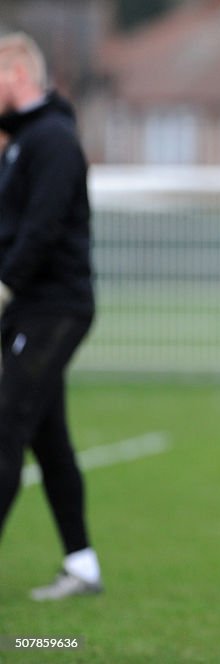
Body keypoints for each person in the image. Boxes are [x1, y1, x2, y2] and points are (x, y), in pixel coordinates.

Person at [0, 31, 102, 600]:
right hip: (29, 309)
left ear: (16, 74)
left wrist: (5, 285)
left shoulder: (54, 139)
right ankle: (83, 566)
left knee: (5, 429)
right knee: (46, 435)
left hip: (53, 308)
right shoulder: (20, 142)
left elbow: (41, 228)